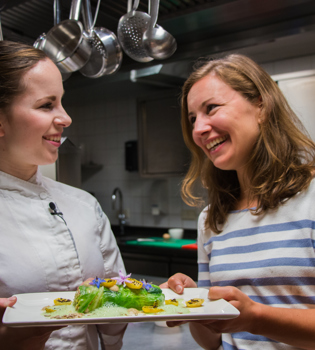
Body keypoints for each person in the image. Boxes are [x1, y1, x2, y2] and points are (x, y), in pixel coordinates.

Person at [160, 54, 315, 350]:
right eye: (193, 119)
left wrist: (256, 318)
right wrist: (192, 304)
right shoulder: (211, 219)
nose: (198, 129)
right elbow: (212, 341)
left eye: (211, 109)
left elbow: (249, 319)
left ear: (262, 106)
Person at [0, 41, 127, 350]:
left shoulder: (84, 205)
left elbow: (117, 312)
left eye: (61, 102)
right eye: (47, 105)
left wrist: (145, 295)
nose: (66, 118)